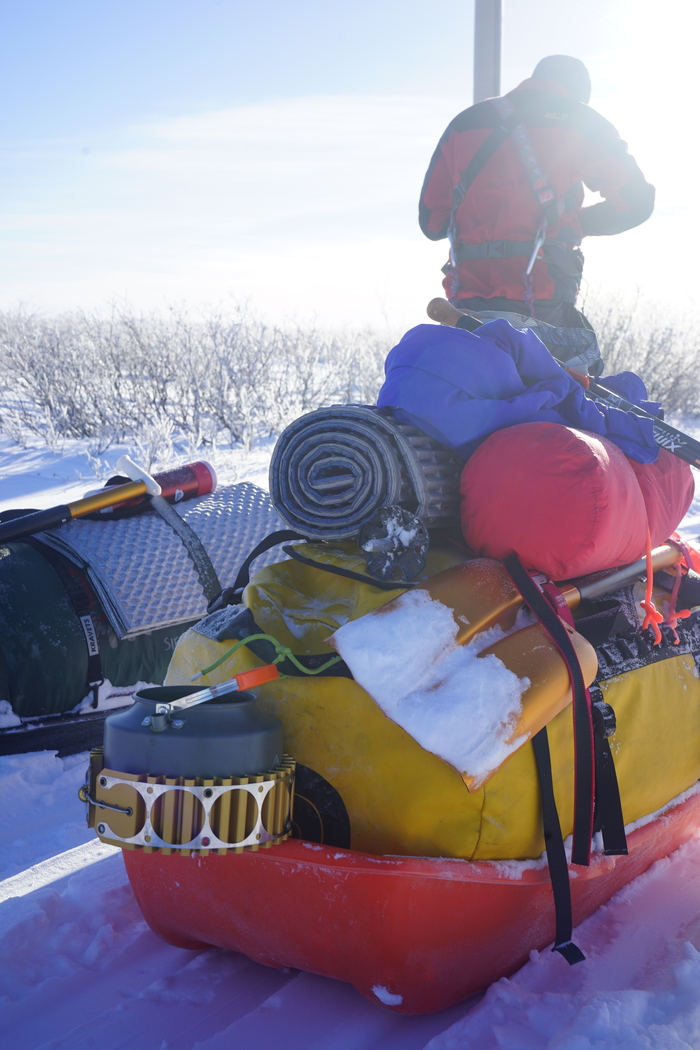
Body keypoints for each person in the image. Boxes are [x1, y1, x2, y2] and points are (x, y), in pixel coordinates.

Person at [419, 55, 654, 328]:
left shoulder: (465, 122)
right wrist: (575, 223)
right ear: (578, 94)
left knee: (467, 370)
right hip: (541, 296)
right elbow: (637, 202)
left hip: (464, 302)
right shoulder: (581, 122)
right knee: (559, 368)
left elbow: (432, 223)